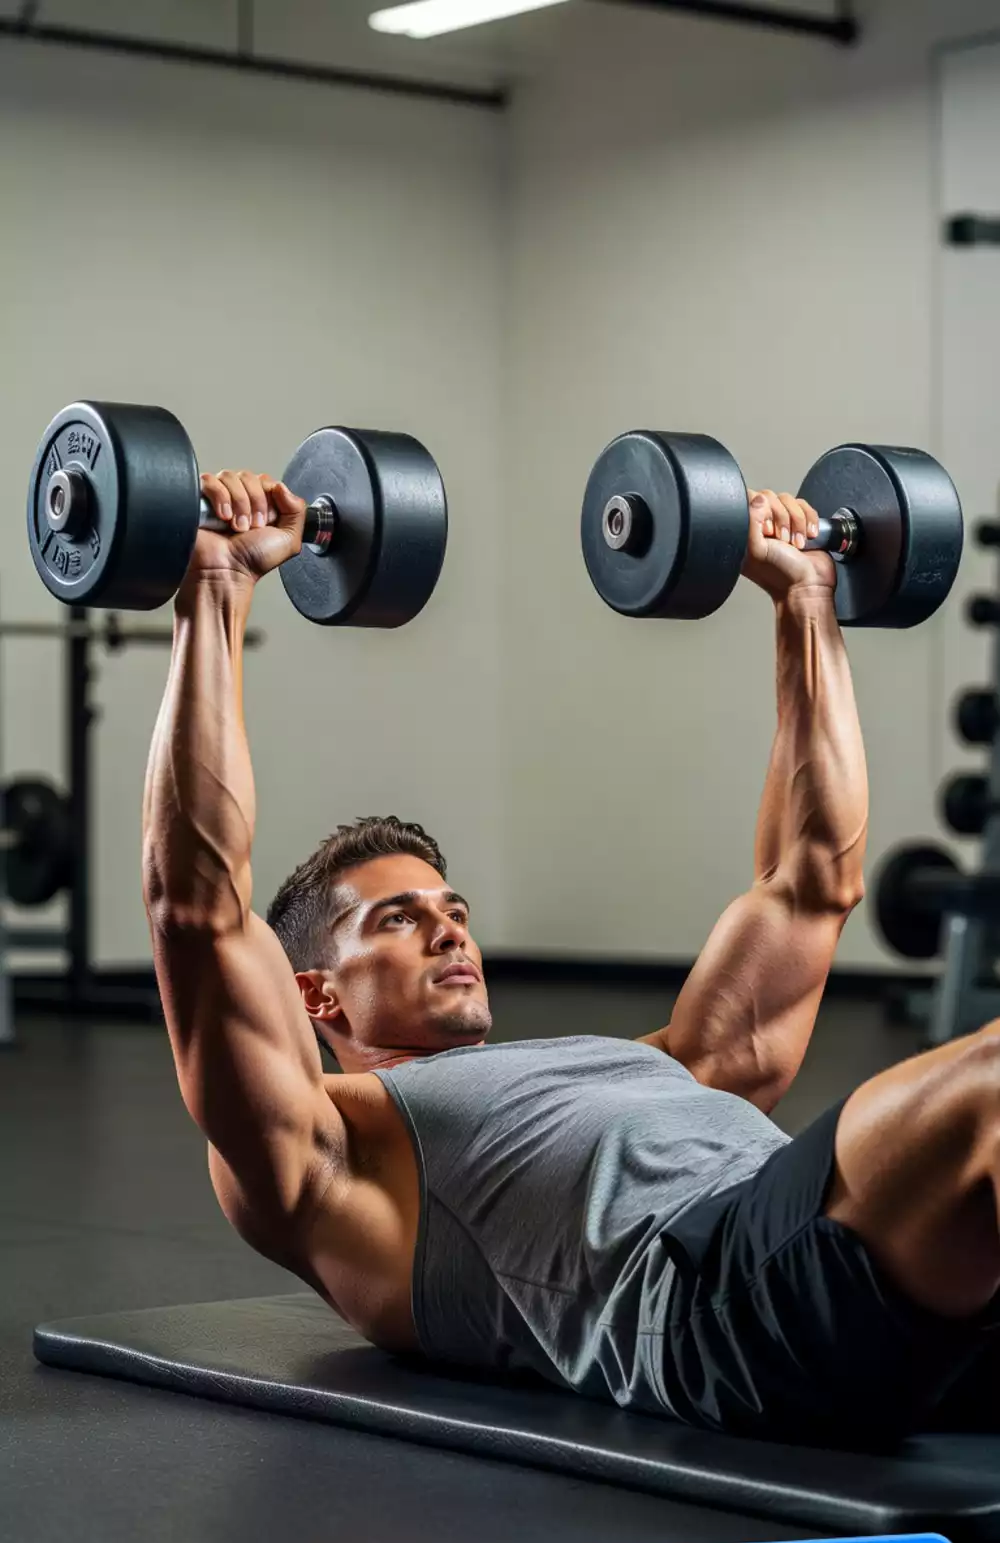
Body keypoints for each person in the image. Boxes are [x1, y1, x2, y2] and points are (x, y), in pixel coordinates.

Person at [141, 463, 1000, 1452]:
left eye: (452, 908)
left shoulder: (671, 1065)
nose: (448, 929)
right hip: (720, 1309)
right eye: (396, 919)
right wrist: (214, 584)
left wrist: (807, 594)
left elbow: (811, 883)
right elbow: (196, 909)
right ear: (313, 996)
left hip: (884, 1298)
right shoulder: (332, 1153)